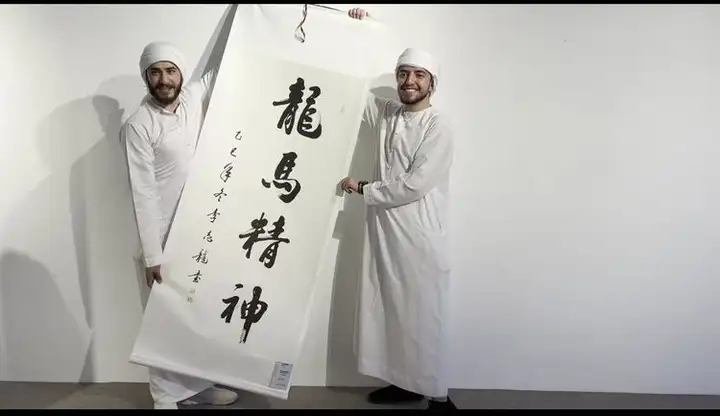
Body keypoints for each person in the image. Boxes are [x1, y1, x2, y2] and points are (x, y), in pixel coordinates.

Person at [342, 8, 456, 411]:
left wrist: (364, 188)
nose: (410, 81)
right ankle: (404, 383)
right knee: (390, 312)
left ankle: (439, 396)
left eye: (419, 75)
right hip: (385, 233)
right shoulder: (388, 112)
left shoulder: (438, 125)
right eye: (404, 74)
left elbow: (416, 183)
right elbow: (356, 88)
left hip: (418, 236)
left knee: (422, 316)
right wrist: (358, 31)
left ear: (432, 83)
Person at [121, 41, 239, 410]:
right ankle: (164, 397)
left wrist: (256, 15)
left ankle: (197, 388)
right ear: (146, 77)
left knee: (197, 314)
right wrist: (152, 256)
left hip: (200, 228)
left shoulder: (192, 98)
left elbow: (224, 61)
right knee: (163, 319)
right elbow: (142, 192)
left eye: (170, 71)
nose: (164, 79)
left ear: (181, 74)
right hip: (162, 236)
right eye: (155, 72)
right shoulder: (138, 125)